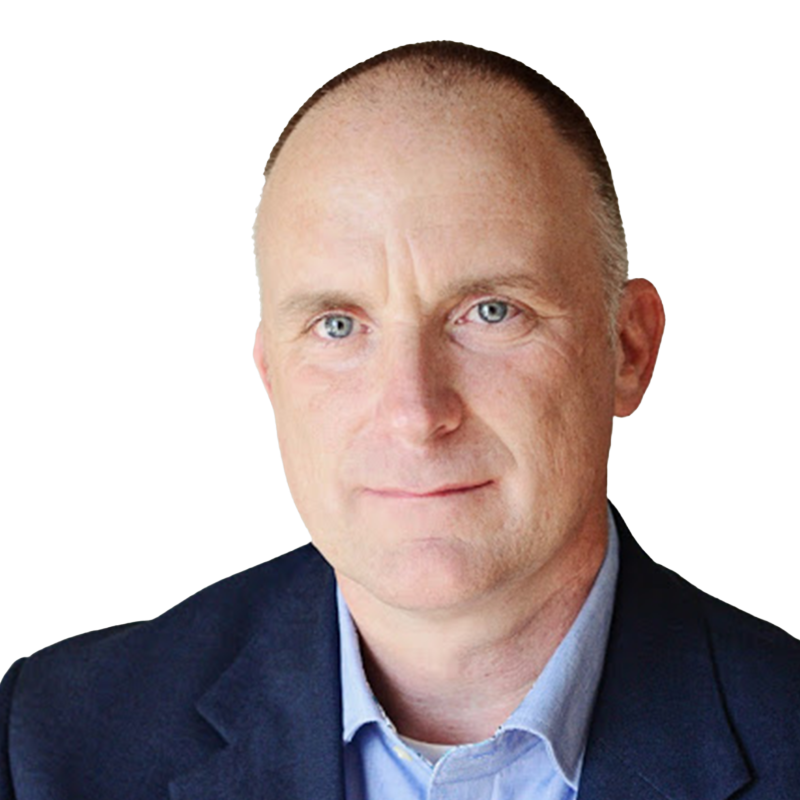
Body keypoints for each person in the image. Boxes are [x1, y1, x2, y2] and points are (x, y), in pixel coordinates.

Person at [1, 40, 797, 800]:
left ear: (627, 349)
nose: (416, 413)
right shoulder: (52, 744)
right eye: (339, 326)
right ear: (271, 375)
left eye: (491, 311)